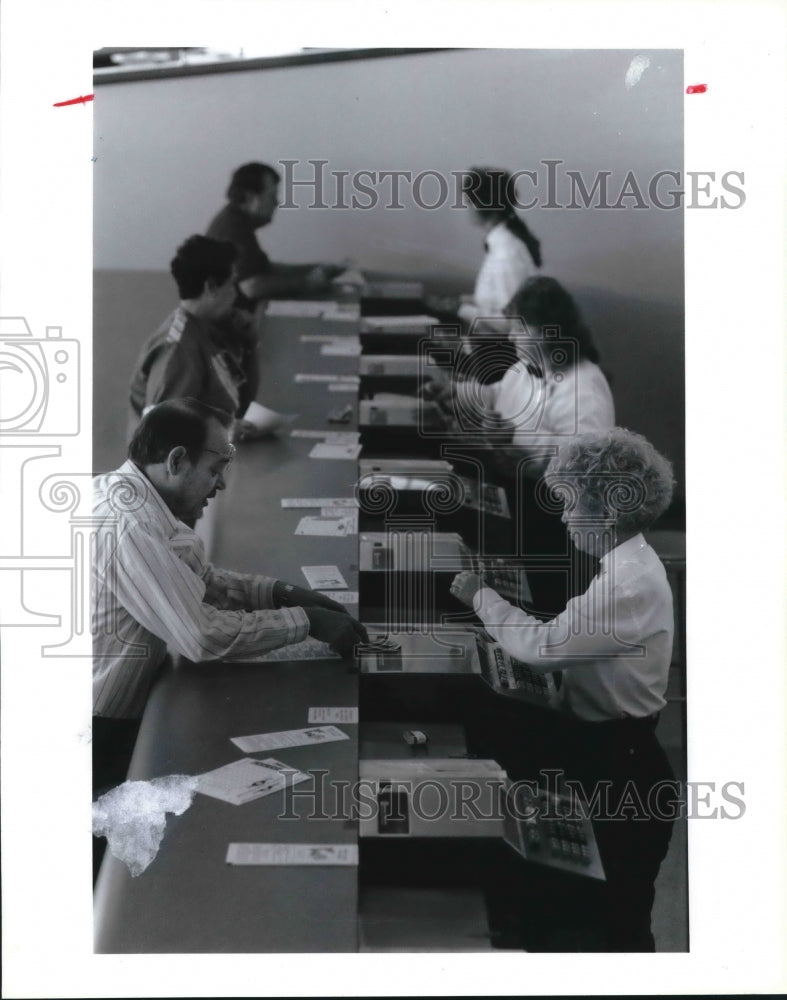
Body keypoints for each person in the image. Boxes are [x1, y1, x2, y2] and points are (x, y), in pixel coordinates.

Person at [450, 427, 678, 951]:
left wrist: (479, 595)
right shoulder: (625, 568)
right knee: (603, 911)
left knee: (616, 922)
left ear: (607, 512)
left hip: (621, 767)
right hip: (612, 751)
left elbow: (544, 647)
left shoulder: (625, 585)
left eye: (572, 505)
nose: (564, 517)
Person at [92, 399, 368, 798]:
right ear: (176, 460)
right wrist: (306, 622)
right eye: (215, 470)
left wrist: (278, 593)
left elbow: (199, 580)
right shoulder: (126, 524)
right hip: (97, 725)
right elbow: (200, 635)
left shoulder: (138, 501)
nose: (221, 484)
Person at [128, 235, 267, 442]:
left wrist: (249, 344)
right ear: (211, 287)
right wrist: (225, 431)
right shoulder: (179, 349)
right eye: (232, 284)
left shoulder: (210, 329)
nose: (236, 294)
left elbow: (241, 407)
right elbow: (162, 433)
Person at [206, 162, 342, 307]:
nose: (277, 203)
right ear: (251, 198)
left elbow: (265, 269)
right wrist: (307, 283)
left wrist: (314, 269)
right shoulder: (234, 228)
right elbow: (251, 287)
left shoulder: (235, 220)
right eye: (272, 196)